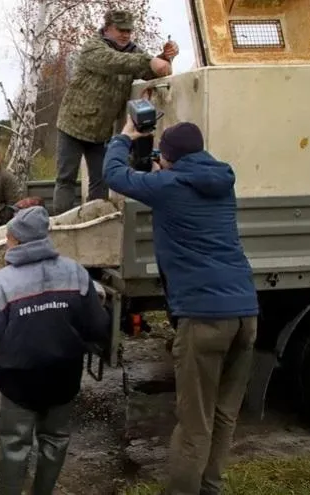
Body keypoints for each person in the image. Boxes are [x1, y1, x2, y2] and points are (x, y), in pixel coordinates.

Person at [103, 118, 259, 495]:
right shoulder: (222, 181)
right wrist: (166, 164)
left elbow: (113, 174)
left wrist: (126, 135)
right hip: (245, 312)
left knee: (194, 423)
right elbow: (186, 181)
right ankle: (211, 488)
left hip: (204, 318)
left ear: (169, 158)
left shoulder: (169, 185)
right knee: (223, 416)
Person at [0, 205, 110, 495]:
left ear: (17, 241)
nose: (6, 242)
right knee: (56, 438)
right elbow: (97, 327)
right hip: (64, 374)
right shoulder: (75, 273)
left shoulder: (2, 283)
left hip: (19, 379)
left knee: (15, 444)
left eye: (9, 238)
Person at [52, 9, 179, 215]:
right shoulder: (93, 48)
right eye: (121, 30)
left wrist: (165, 58)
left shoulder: (134, 52)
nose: (126, 34)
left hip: (100, 131)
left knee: (101, 179)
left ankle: (94, 221)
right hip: (72, 126)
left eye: (129, 31)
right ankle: (59, 222)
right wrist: (148, 61)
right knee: (66, 178)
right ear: (107, 28)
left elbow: (150, 70)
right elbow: (113, 62)